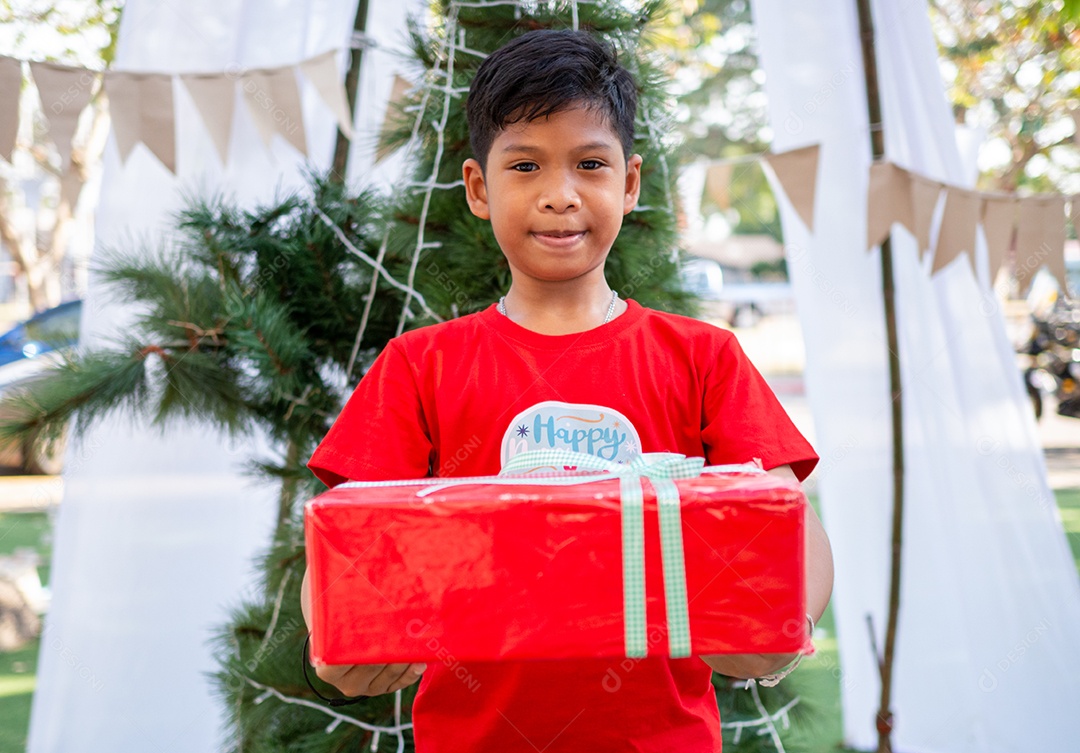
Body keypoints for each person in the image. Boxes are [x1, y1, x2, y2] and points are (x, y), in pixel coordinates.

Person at [301, 28, 833, 753]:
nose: (560, 195)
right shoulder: (419, 365)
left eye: (590, 163)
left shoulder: (704, 357)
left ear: (630, 183)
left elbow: (786, 521)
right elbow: (344, 539)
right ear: (479, 188)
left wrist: (785, 625)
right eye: (526, 165)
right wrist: (337, 638)